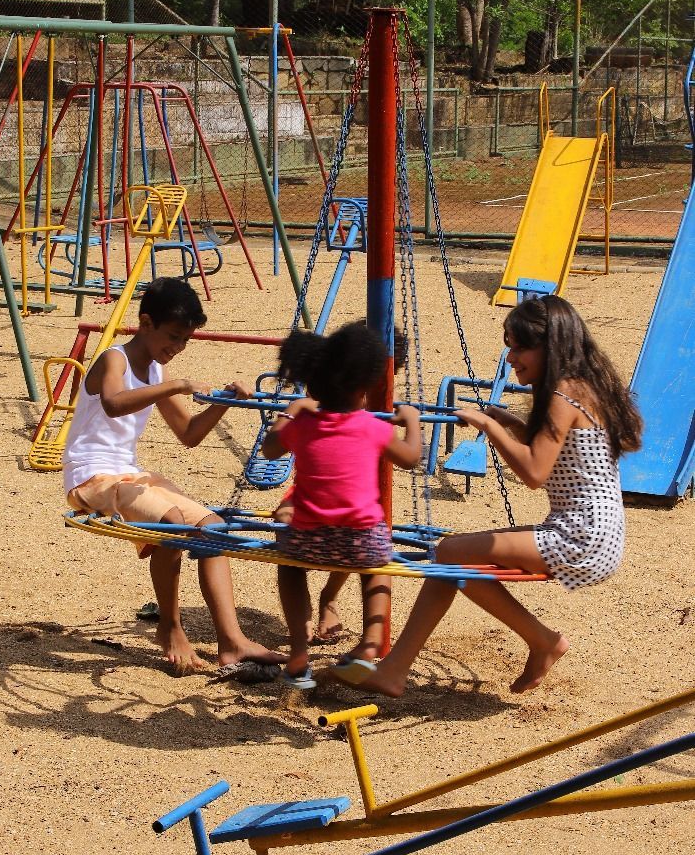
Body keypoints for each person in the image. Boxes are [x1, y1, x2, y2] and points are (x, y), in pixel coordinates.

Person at [336, 295, 642, 697]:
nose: (511, 357)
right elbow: (563, 448)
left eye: (519, 347)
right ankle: (395, 669)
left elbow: (534, 472)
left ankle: (542, 640)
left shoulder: (563, 394)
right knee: (453, 554)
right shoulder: (585, 388)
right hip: (596, 531)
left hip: (580, 535)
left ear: (548, 346)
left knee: (449, 553)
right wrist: (511, 421)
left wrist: (488, 426)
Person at [63, 276, 279, 677]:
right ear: (145, 323)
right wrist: (176, 384)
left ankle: (232, 641)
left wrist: (223, 403)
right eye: (173, 337)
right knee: (174, 524)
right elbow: (112, 403)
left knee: (213, 528)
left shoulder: (157, 373)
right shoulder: (116, 359)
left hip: (129, 472)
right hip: (91, 474)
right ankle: (170, 626)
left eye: (185, 341)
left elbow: (190, 435)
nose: (177, 348)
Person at [262, 321, 422, 688]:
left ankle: (299, 652)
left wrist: (288, 414)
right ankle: (368, 645)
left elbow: (270, 450)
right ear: (365, 386)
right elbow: (411, 458)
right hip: (362, 539)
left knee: (289, 566)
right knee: (378, 565)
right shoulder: (374, 427)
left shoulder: (302, 424)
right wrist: (411, 421)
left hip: (307, 536)